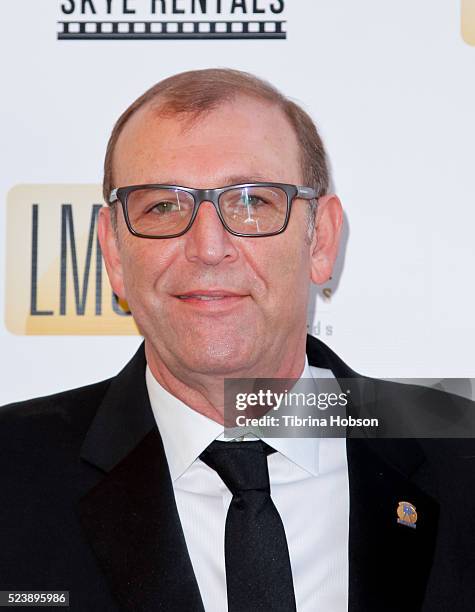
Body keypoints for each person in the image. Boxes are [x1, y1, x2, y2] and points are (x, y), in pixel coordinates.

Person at [1, 68, 474, 612]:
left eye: (252, 203)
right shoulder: (11, 473)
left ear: (320, 239)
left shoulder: (460, 455)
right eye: (162, 206)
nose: (207, 247)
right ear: (113, 253)